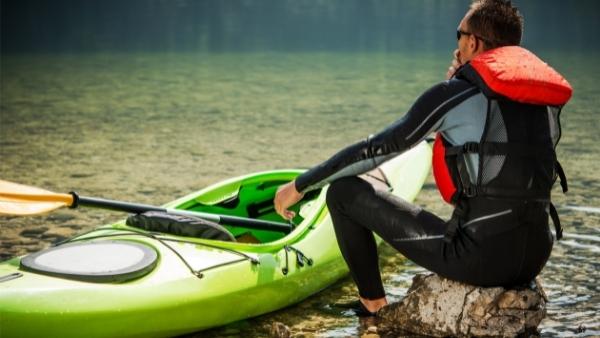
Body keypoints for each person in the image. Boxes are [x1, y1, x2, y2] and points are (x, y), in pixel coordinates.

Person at [274, 0, 572, 316]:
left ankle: (372, 307)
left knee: (343, 192)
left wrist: (301, 185)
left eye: (459, 34)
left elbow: (376, 149)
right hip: (535, 256)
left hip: (481, 260)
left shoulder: (456, 94)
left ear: (472, 42)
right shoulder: (540, 101)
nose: (456, 42)